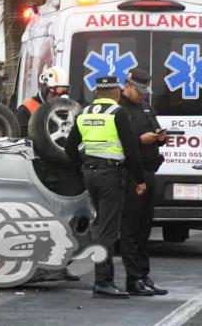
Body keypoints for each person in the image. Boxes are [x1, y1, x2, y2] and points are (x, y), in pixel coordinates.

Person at [65, 76, 146, 298]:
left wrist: (81, 170)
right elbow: (131, 151)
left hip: (90, 174)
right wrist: (140, 179)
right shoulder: (117, 113)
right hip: (111, 175)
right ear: (117, 93)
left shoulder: (84, 112)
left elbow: (70, 147)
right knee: (107, 231)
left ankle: (103, 280)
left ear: (97, 93)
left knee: (100, 225)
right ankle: (103, 282)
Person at [119, 69, 168, 296]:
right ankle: (132, 278)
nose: (142, 97)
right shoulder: (119, 109)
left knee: (144, 228)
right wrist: (140, 140)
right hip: (131, 174)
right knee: (130, 228)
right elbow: (120, 143)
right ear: (127, 86)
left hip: (149, 170)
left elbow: (154, 128)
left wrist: (160, 137)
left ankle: (143, 275)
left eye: (145, 93)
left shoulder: (146, 107)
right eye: (139, 92)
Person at [16, 66, 70, 137]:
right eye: (54, 93)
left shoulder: (66, 110)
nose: (57, 97)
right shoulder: (26, 109)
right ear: (45, 88)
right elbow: (21, 140)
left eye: (62, 92)